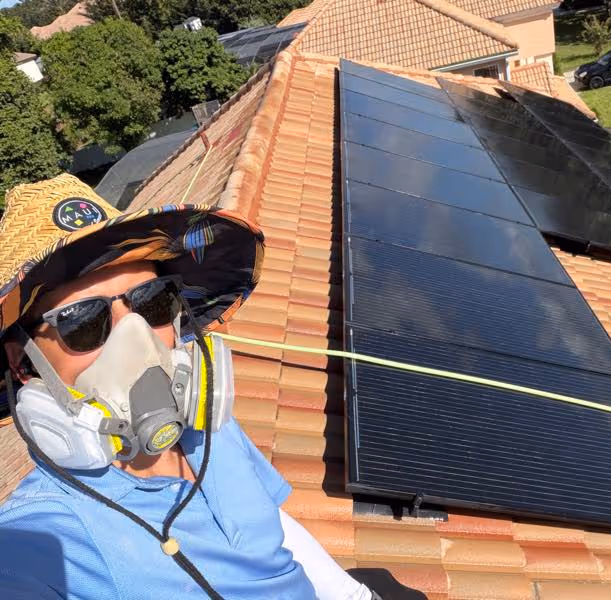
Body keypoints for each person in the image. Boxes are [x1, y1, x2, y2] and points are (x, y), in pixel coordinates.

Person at [0, 175, 376, 600]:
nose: (138, 338)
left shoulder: (208, 429)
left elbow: (272, 533)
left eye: (152, 301)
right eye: (84, 321)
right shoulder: (42, 539)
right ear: (23, 363)